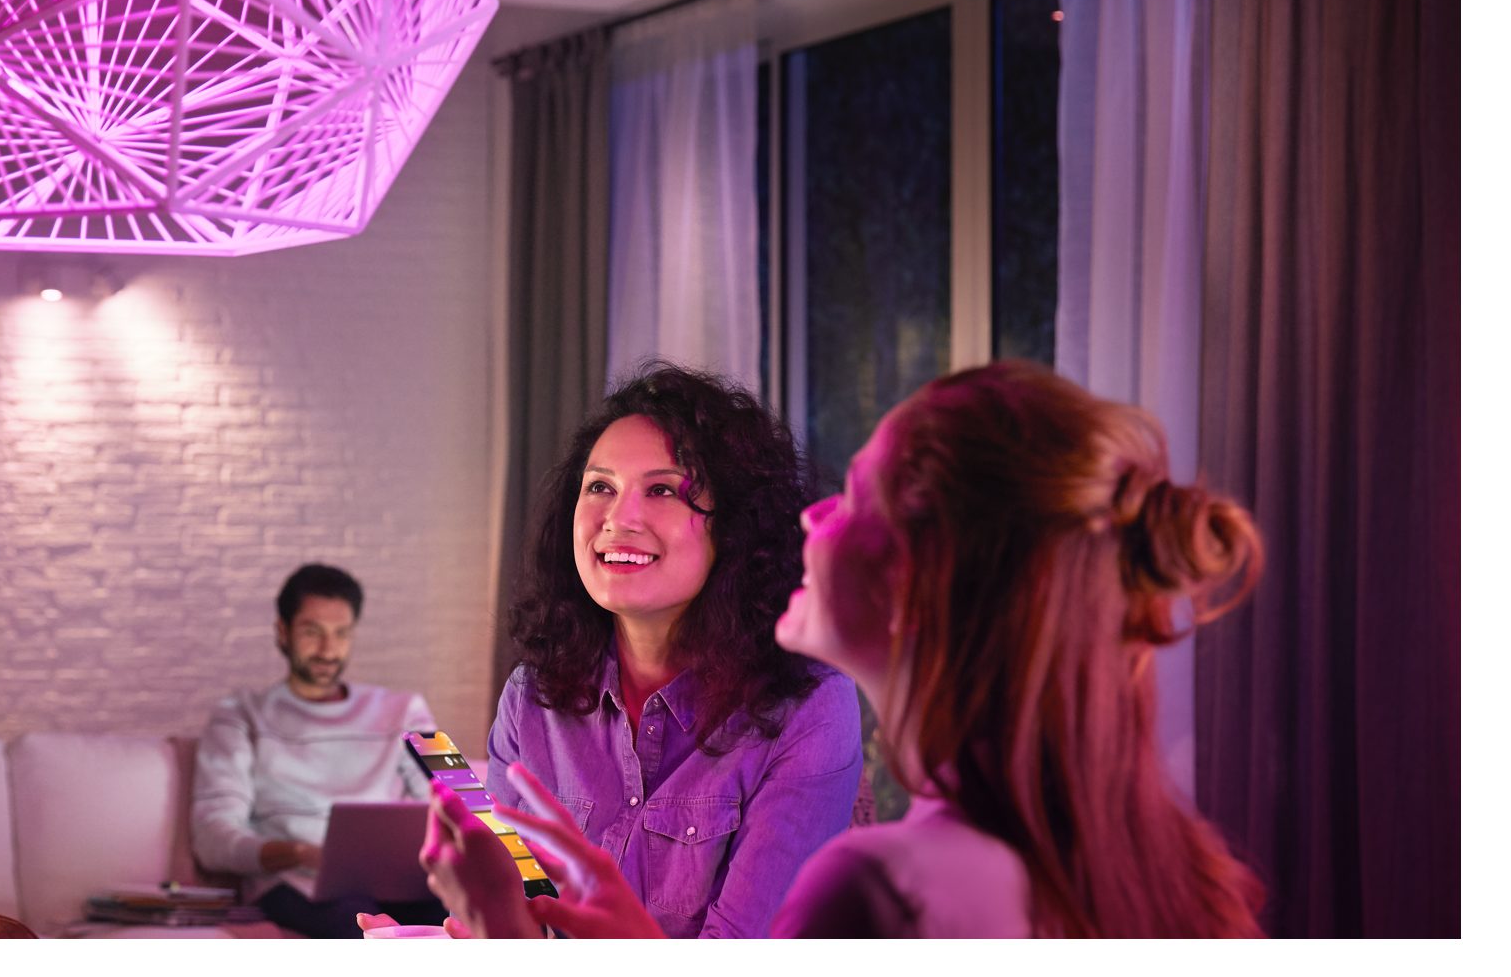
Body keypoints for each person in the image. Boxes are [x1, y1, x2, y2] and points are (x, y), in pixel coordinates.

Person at [418, 361, 1265, 938]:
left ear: (927, 577)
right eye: (598, 487)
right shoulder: (1119, 850)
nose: (813, 518)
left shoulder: (879, 885)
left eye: (857, 497)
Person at [373, 363, 863, 939]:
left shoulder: (809, 708)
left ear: (735, 527)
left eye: (661, 490)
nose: (618, 519)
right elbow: (525, 932)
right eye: (600, 487)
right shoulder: (533, 699)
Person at [191, 563, 442, 938]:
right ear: (282, 631)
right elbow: (213, 837)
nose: (328, 649)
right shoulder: (240, 715)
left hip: (399, 880)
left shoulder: (407, 710)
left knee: (462, 917)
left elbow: (460, 799)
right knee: (362, 926)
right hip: (295, 885)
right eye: (313, 632)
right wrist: (300, 854)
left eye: (341, 634)